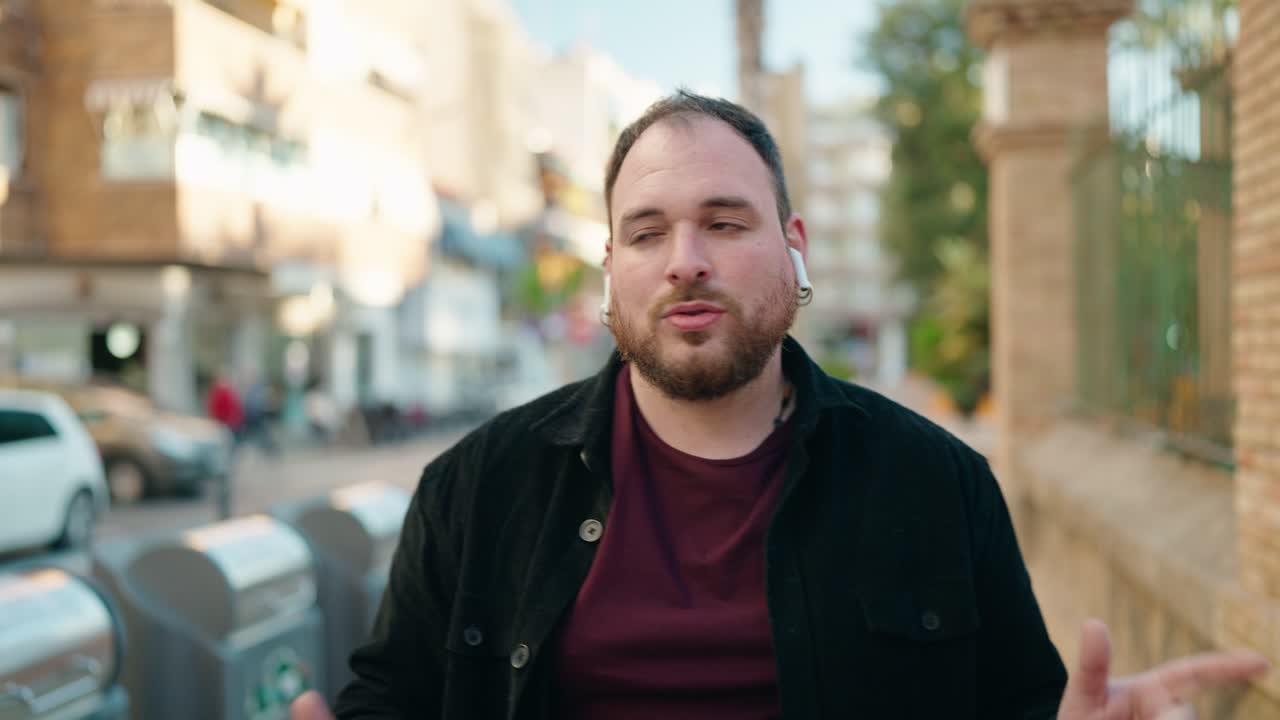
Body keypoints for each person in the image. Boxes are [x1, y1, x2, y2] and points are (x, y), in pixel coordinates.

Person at [291, 91, 1267, 720]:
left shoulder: (937, 487)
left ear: (792, 244)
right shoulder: (477, 488)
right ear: (609, 269)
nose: (684, 258)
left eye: (723, 221)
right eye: (645, 233)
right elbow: (394, 698)